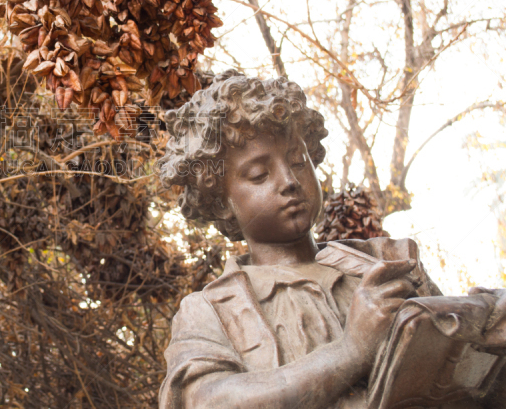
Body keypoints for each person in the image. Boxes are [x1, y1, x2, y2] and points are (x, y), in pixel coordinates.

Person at [157, 70, 506, 409]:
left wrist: (486, 323)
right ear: (221, 203)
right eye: (259, 175)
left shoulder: (388, 261)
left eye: (298, 161)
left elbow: (467, 367)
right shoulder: (211, 310)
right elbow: (207, 400)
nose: (289, 181)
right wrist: (351, 352)